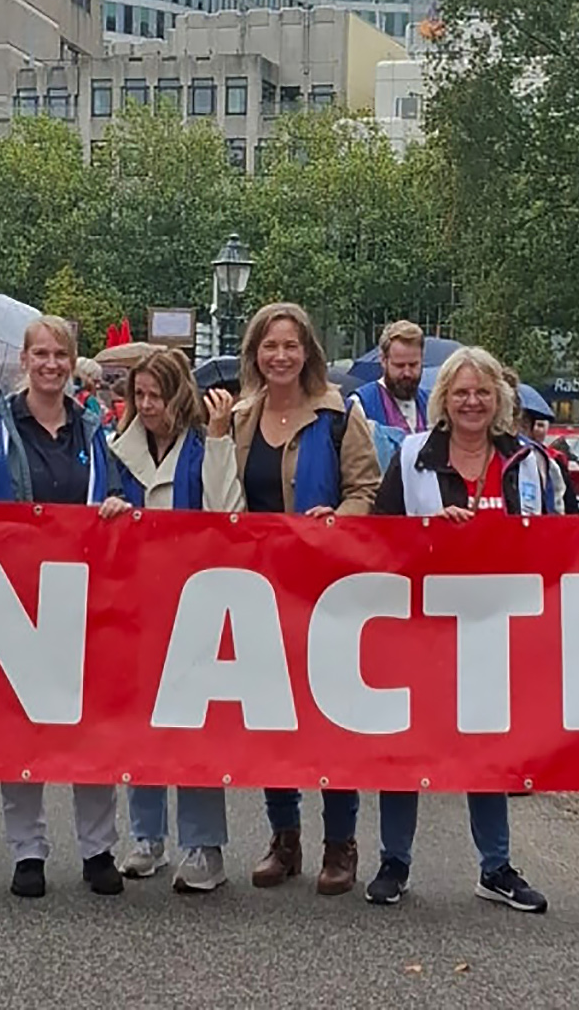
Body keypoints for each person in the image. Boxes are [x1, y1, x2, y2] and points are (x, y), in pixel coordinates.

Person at [367, 346, 571, 912]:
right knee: (405, 747)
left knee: (489, 747)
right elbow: (379, 538)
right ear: (444, 401)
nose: (472, 402)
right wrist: (430, 531)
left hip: (498, 627)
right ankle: (394, 860)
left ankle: (495, 865)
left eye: (482, 392)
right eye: (461, 393)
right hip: (422, 624)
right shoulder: (411, 457)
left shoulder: (531, 462)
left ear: (500, 400)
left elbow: (568, 542)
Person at [0, 317, 124, 899]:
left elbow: (116, 493)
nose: (51, 364)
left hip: (83, 593)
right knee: (18, 729)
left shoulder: (94, 428)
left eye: (60, 355)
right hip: (13, 589)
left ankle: (98, 848)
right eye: (40, 354)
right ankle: (28, 850)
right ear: (24, 360)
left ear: (73, 363)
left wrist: (119, 502)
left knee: (89, 726)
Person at [229, 302, 381, 896]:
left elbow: (365, 489)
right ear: (256, 354)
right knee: (273, 717)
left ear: (308, 352)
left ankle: (339, 843)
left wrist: (339, 522)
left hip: (327, 588)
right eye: (270, 346)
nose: (281, 356)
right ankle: (283, 836)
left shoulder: (341, 416)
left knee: (331, 717)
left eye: (291, 345)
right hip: (261, 588)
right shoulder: (242, 418)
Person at [99, 348, 243, 892]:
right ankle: (146, 836)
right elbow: (96, 514)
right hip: (137, 600)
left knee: (193, 725)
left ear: (177, 395)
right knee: (140, 718)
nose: (146, 405)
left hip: (193, 599)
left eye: (155, 395)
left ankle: (205, 845)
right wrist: (109, 512)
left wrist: (223, 439)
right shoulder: (115, 449)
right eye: (139, 395)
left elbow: (225, 509)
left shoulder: (203, 445)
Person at [346, 319, 431, 462]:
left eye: (413, 365)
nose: (407, 373)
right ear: (383, 361)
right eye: (399, 365)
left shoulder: (432, 403)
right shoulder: (359, 405)